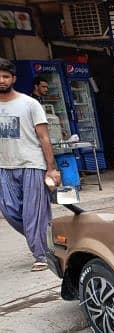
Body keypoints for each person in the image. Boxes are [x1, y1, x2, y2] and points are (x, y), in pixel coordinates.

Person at [0, 59, 61, 271]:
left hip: (32, 164)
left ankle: (41, 254)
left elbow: (44, 138)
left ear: (13, 79)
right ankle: (45, 238)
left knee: (32, 213)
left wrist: (51, 167)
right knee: (8, 210)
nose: (2, 80)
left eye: (6, 76)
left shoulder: (30, 104)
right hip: (4, 166)